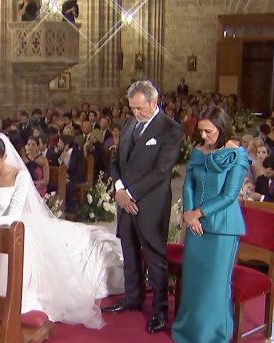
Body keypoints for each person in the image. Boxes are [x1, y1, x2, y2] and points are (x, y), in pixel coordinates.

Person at [0, 133, 124, 328]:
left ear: (4, 156)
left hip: (15, 236)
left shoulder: (20, 176)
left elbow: (14, 218)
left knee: (16, 300)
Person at [106, 80, 183, 334]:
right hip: (124, 201)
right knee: (128, 251)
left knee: (154, 257)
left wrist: (130, 194)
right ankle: (132, 298)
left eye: (140, 108)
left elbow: (161, 172)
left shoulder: (171, 129)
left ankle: (160, 309)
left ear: (153, 102)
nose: (135, 114)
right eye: (132, 109)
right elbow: (116, 160)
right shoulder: (130, 124)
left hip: (149, 204)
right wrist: (119, 188)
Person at [171, 106, 249, 343]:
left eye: (208, 131)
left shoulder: (237, 155)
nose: (203, 136)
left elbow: (229, 195)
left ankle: (214, 335)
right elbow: (189, 185)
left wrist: (198, 213)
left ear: (222, 129)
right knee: (194, 282)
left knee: (214, 285)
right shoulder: (198, 151)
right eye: (201, 131)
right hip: (196, 228)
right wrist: (187, 213)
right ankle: (188, 331)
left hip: (222, 228)